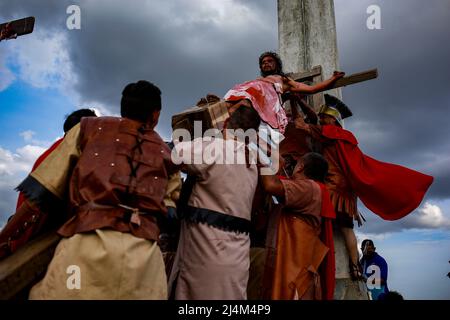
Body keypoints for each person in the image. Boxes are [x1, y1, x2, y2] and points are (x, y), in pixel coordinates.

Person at [15, 80, 176, 299]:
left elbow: (41, 192)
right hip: (144, 262)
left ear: (123, 108)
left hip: (85, 246)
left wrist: (6, 244)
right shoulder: (168, 154)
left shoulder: (87, 127)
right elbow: (171, 214)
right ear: (156, 115)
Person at [292, 94, 434, 282]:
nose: (321, 118)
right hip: (346, 191)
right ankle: (355, 267)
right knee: (346, 229)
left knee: (318, 225)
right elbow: (350, 170)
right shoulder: (345, 138)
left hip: (332, 188)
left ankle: (315, 266)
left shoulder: (330, 132)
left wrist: (295, 101)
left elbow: (302, 125)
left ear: (332, 119)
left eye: (324, 116)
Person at [168, 106, 261, 300]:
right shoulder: (253, 160)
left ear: (226, 124)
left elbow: (170, 154)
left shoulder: (212, 147)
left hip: (205, 253)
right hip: (238, 258)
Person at [0, 109, 97, 260]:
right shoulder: (71, 151)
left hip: (24, 233)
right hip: (38, 235)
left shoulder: (51, 151)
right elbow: (35, 205)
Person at [260, 152, 336, 300]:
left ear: (300, 167)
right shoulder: (314, 188)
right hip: (296, 273)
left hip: (296, 278)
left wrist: (269, 162)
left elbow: (270, 185)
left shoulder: (309, 188)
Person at [224, 51, 344, 134]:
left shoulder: (283, 80)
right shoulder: (258, 79)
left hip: (262, 97)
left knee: (244, 103)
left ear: (276, 64)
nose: (266, 63)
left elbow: (312, 89)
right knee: (229, 103)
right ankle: (219, 111)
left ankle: (226, 119)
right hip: (246, 91)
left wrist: (333, 78)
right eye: (263, 62)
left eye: (270, 61)